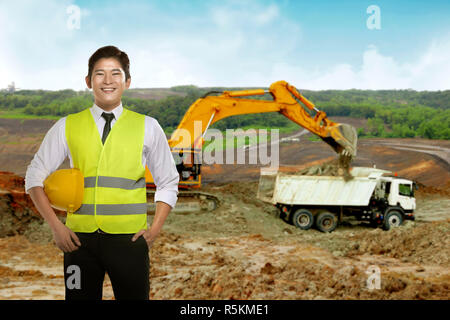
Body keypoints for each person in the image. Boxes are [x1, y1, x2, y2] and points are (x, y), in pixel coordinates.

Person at [25, 45, 179, 300]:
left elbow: (168, 182)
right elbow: (34, 176)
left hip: (129, 242)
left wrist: (154, 230)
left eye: (115, 73)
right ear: (88, 81)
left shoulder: (148, 127)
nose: (108, 81)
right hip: (77, 243)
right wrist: (56, 227)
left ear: (127, 82)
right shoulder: (67, 126)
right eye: (100, 74)